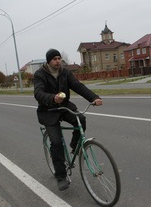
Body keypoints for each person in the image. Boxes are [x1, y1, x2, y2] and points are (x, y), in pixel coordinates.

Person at [34, 49, 102, 191]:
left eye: (59, 58)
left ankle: (74, 145)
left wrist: (94, 97)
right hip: (48, 111)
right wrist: (52, 98)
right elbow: (38, 93)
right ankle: (61, 176)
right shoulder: (40, 74)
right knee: (57, 143)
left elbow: (78, 86)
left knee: (81, 119)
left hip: (64, 107)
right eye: (54, 59)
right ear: (48, 61)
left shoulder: (65, 72)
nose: (58, 61)